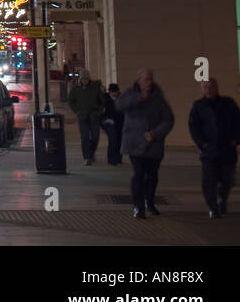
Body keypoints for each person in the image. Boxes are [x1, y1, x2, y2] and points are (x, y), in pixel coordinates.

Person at [115, 68, 174, 219]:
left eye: (150, 79)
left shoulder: (158, 98)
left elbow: (168, 120)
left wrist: (156, 133)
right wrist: (138, 98)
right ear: (139, 81)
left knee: (152, 176)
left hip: (154, 144)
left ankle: (149, 201)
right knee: (139, 174)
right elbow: (119, 106)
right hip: (135, 143)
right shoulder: (130, 94)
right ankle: (138, 206)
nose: (149, 82)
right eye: (146, 79)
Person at [187, 78, 240, 218]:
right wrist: (202, 144)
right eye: (205, 87)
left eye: (211, 86)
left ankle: (222, 199)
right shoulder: (198, 106)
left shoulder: (229, 103)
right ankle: (213, 207)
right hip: (209, 151)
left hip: (227, 150)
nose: (208, 89)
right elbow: (193, 127)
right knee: (209, 182)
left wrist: (236, 140)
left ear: (216, 87)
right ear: (202, 89)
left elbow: (239, 122)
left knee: (227, 180)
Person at [68, 73, 106, 165]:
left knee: (95, 136)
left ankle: (91, 153)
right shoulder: (76, 89)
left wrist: (98, 111)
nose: (85, 81)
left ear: (89, 79)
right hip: (82, 116)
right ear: (80, 80)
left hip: (94, 116)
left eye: (86, 79)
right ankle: (87, 157)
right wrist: (77, 111)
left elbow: (103, 101)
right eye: (83, 79)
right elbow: (71, 101)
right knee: (85, 137)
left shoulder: (95, 88)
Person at [101, 83, 124, 166]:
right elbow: (101, 112)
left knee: (120, 141)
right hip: (107, 123)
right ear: (109, 92)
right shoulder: (105, 99)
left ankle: (118, 159)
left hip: (120, 122)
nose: (114, 94)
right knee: (113, 139)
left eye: (116, 92)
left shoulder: (121, 99)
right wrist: (105, 120)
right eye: (113, 92)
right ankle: (111, 160)